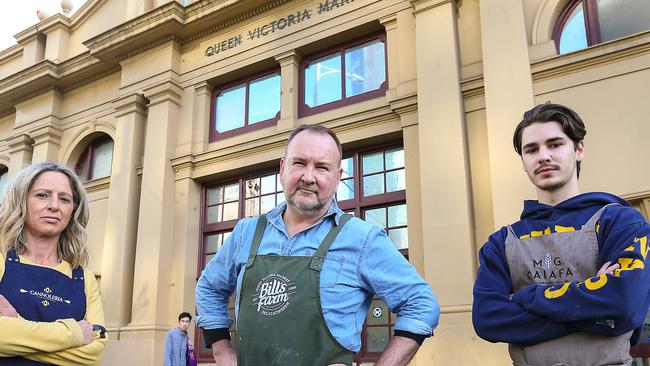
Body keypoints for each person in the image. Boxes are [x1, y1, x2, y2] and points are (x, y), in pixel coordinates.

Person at [195, 125, 439, 366]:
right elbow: (208, 288)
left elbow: (421, 303)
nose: (308, 177)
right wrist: (221, 350)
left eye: (322, 167)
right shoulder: (246, 232)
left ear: (338, 177)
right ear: (283, 168)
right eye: (299, 163)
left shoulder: (362, 238)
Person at [472, 103, 650, 365]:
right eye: (531, 149)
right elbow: (488, 319)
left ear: (579, 149)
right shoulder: (501, 242)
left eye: (555, 144)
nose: (543, 156)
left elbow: (624, 302)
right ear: (523, 162)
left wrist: (524, 298)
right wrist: (597, 312)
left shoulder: (621, 222)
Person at [0, 162, 108, 365]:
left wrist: (16, 328)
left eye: (64, 199)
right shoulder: (2, 260)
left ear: (72, 210)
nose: (54, 205)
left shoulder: (85, 278)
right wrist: (74, 333)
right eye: (42, 195)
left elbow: (93, 355)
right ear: (21, 202)